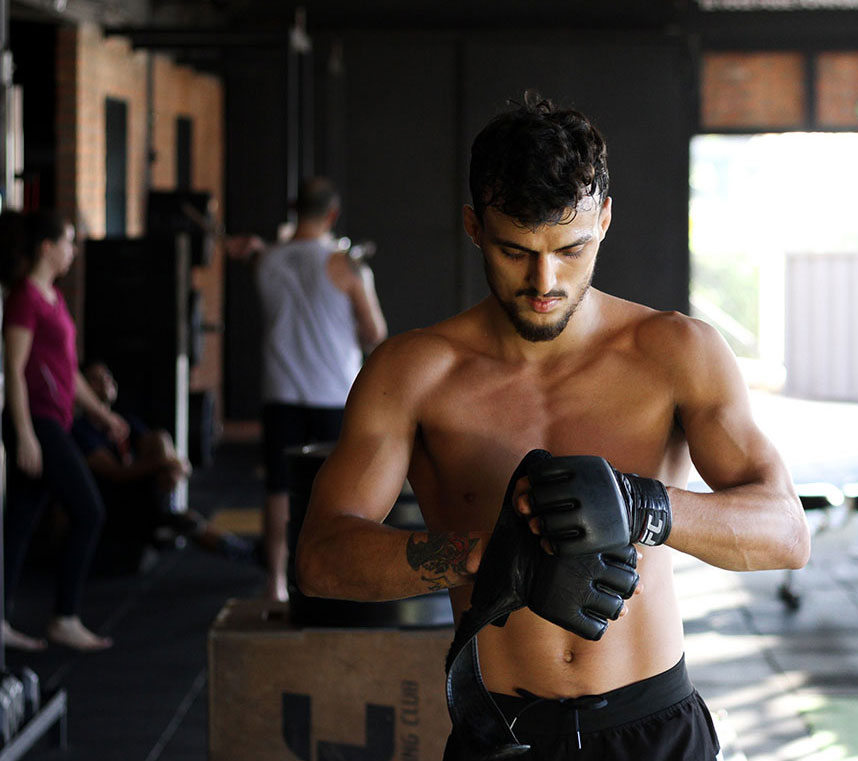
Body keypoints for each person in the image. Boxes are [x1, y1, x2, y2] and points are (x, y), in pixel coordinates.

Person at [294, 94, 810, 760]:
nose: (545, 281)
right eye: (515, 251)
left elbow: (786, 532)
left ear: (605, 220)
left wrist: (643, 506)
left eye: (570, 249)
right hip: (505, 735)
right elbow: (319, 560)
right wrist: (487, 558)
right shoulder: (413, 373)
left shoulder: (679, 352)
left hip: (654, 729)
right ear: (474, 227)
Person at [256, 177, 387, 601]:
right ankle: (337, 582)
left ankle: (275, 582)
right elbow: (374, 333)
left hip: (280, 391)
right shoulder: (346, 266)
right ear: (332, 214)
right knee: (340, 492)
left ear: (295, 209)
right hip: (334, 394)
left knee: (279, 487)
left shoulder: (267, 261)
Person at [1, 208, 125, 652]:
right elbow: (14, 371)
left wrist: (101, 413)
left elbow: (67, 371)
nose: (73, 250)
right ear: (47, 247)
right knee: (89, 512)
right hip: (37, 422)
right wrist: (25, 435)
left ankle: (2, 619)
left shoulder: (52, 298)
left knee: (18, 523)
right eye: (68, 242)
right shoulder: (25, 299)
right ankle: (65, 617)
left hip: (56, 419)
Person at [72, 361, 255, 570]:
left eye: (107, 376)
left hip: (146, 495)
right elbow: (116, 473)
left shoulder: (125, 421)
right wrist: (166, 463)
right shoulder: (82, 430)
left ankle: (245, 551)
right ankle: (170, 510)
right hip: (112, 503)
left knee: (160, 439)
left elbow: (158, 448)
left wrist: (172, 466)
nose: (105, 381)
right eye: (95, 379)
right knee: (186, 519)